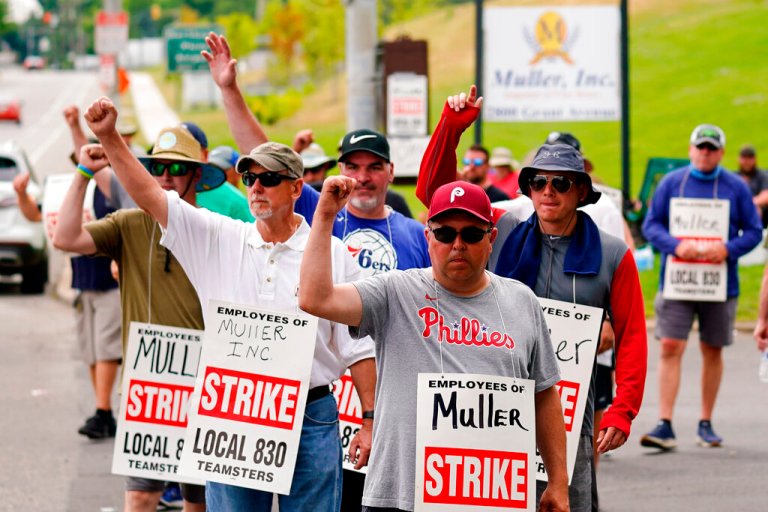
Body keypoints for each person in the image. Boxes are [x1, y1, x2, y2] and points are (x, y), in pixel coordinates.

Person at [78, 96, 377, 511]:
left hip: (310, 414)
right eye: (249, 178)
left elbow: (359, 345)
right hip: (235, 409)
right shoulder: (222, 238)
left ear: (295, 187)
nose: (255, 187)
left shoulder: (334, 253)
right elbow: (151, 196)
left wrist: (368, 418)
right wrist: (110, 136)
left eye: (268, 178)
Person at [417, 86, 648, 512]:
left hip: (568, 411)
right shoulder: (500, 230)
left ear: (581, 191)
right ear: (527, 188)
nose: (548, 191)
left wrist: (622, 409)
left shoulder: (614, 254)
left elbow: (633, 335)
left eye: (561, 183)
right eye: (539, 181)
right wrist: (451, 128)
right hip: (491, 403)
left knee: (566, 504)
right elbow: (435, 195)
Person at [299, 177, 570, 512]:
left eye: (471, 234)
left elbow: (543, 395)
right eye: (444, 233)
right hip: (400, 496)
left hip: (491, 495)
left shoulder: (521, 300)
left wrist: (558, 482)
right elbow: (314, 299)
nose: (458, 244)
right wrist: (324, 217)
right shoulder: (394, 292)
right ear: (428, 237)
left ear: (491, 239)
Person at [52, 122, 226, 512]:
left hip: (202, 388)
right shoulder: (128, 225)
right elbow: (64, 238)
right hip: (149, 389)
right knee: (140, 499)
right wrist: (84, 173)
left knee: (196, 503)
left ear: (196, 174)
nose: (166, 177)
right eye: (158, 168)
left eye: (177, 169)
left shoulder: (214, 230)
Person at [641, 124, 762, 450]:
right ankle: (665, 422)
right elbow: (651, 224)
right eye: (701, 147)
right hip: (678, 280)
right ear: (691, 149)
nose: (705, 153)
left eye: (712, 148)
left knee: (712, 348)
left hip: (719, 283)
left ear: (721, 152)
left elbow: (753, 231)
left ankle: (705, 422)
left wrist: (727, 249)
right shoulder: (672, 182)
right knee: (670, 345)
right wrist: (674, 245)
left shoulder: (735, 187)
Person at [198, 144, 254, 222]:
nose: (216, 174)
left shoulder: (239, 203)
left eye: (222, 170)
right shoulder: (239, 203)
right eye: (211, 169)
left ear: (238, 172)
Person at [736, 144, 768, 227]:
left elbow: (766, 195)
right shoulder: (734, 177)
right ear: (739, 159)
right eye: (744, 158)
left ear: (755, 159)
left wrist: (749, 205)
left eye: (750, 158)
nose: (747, 161)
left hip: (759, 217)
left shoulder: (762, 175)